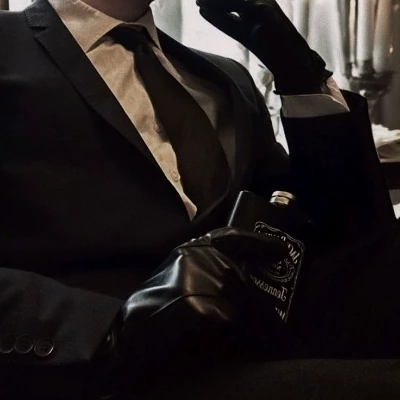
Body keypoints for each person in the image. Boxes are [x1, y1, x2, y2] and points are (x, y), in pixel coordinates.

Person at [0, 0, 399, 399]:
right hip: (94, 376)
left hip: (255, 351)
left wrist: (302, 76)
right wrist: (110, 329)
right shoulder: (9, 46)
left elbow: (342, 242)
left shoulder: (224, 77)